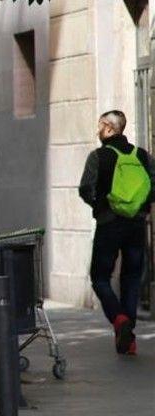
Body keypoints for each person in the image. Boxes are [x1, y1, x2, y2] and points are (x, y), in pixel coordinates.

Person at [78, 110, 153, 355]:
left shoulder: (98, 156)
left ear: (110, 128)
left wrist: (100, 206)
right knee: (131, 278)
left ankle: (119, 320)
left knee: (100, 277)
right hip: (136, 225)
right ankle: (128, 339)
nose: (98, 130)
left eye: (100, 125)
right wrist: (139, 208)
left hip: (109, 223)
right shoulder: (141, 155)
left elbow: (85, 188)